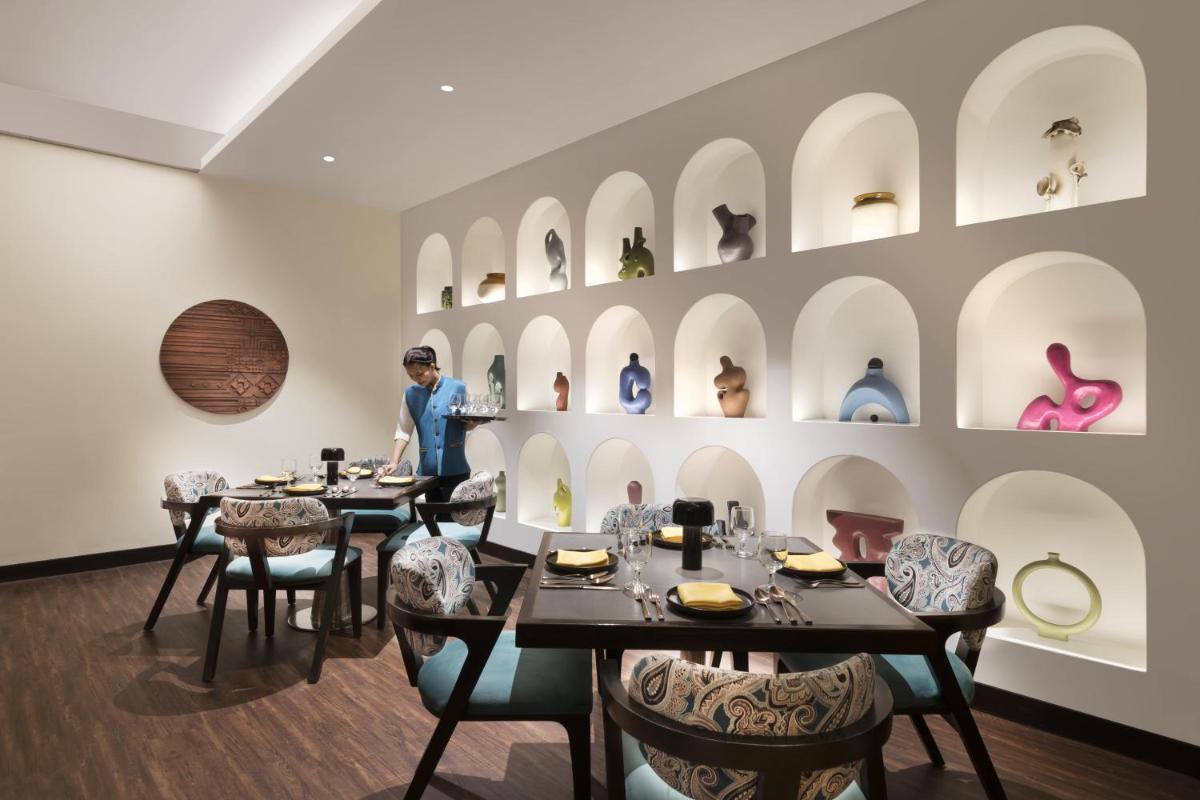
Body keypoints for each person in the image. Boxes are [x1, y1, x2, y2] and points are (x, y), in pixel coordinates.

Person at [383, 345, 477, 502]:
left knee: (455, 515)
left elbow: (467, 424)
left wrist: (474, 423)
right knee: (432, 515)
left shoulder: (459, 388)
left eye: (419, 374)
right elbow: (403, 431)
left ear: (432, 366)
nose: (416, 379)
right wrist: (394, 462)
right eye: (411, 376)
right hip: (427, 473)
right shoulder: (411, 394)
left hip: (457, 469)